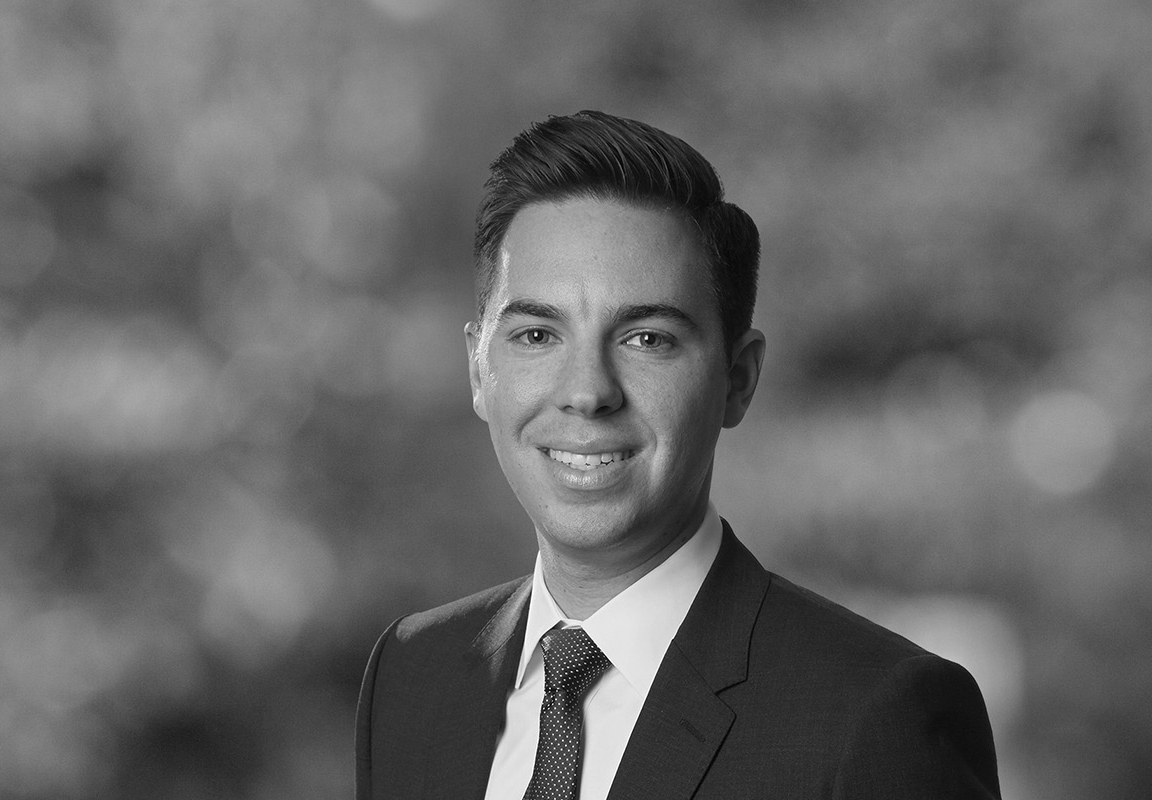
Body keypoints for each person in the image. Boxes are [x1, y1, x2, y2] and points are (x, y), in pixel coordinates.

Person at [355, 110, 1001, 800]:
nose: (587, 393)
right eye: (538, 335)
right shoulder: (411, 675)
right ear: (479, 369)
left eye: (648, 339)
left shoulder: (875, 715)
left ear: (738, 379)